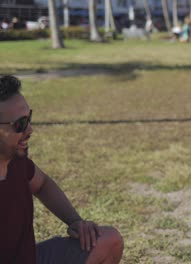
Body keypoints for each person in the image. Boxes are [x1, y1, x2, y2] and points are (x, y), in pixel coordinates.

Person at [0, 75, 124, 263]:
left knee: (109, 241)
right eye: (20, 124)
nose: (30, 129)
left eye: (29, 118)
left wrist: (74, 220)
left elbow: (42, 184)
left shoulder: (16, 161)